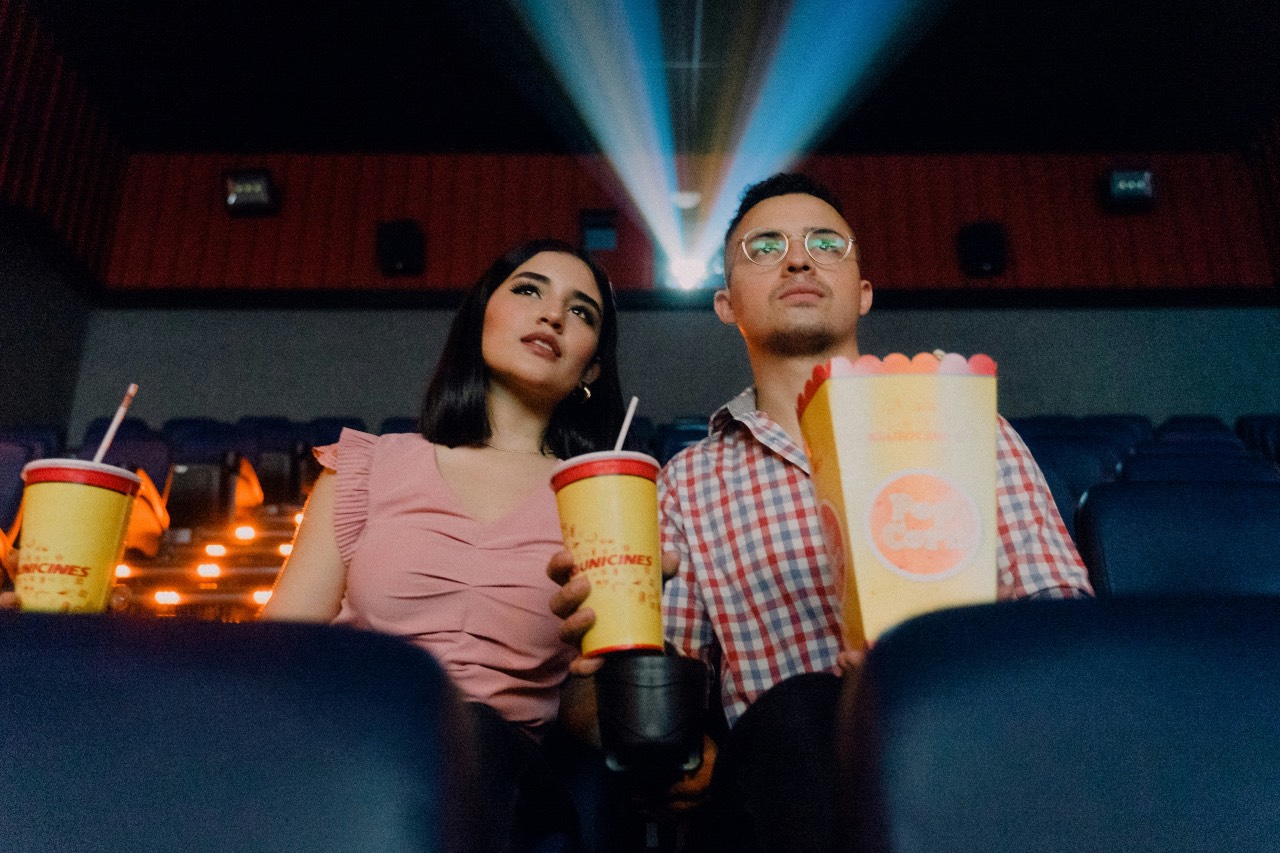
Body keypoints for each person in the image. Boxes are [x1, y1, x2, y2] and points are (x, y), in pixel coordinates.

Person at [549, 174, 1092, 852]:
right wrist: (604, 656)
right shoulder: (687, 482)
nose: (799, 258)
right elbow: (658, 709)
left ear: (862, 288)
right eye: (765, 246)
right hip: (792, 781)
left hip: (974, 747)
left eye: (825, 243)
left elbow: (1065, 630)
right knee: (802, 709)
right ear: (726, 303)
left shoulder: (971, 429)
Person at [264, 238, 625, 853]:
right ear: (483, 313)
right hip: (358, 749)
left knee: (473, 736)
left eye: (582, 311)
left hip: (507, 778)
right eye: (529, 290)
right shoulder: (367, 467)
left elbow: (587, 725)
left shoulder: (603, 500)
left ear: (591, 368)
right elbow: (279, 655)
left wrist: (606, 661)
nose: (552, 315)